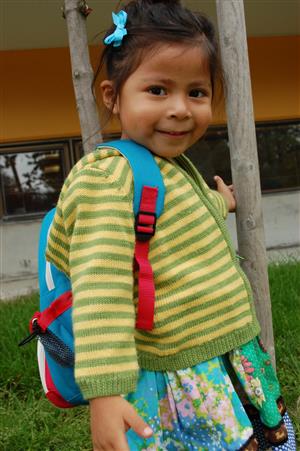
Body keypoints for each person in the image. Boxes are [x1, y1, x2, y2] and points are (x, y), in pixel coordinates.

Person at [46, 1, 296, 450]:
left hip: (228, 353)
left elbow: (175, 227)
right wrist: (105, 393)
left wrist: (219, 203)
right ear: (111, 96)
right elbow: (101, 287)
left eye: (196, 93)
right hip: (183, 374)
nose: (181, 108)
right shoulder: (108, 177)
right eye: (158, 90)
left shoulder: (173, 166)